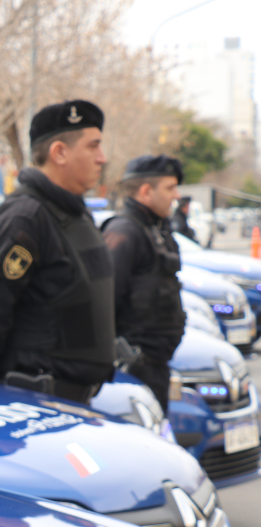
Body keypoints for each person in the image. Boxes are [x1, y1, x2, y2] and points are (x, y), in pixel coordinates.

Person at [0, 100, 115, 404]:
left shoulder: (75, 214)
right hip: (34, 403)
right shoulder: (26, 217)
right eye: (93, 147)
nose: (103, 158)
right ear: (59, 152)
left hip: (75, 403)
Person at [101, 156, 187, 410]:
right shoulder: (124, 232)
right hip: (133, 370)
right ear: (146, 191)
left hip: (155, 367)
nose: (176, 195)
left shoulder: (155, 229)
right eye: (170, 188)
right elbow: (105, 304)